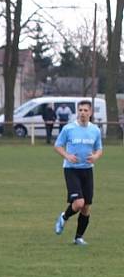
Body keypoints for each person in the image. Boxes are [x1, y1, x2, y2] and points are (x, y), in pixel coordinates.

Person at [53, 100, 103, 246]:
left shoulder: (95, 130)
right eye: (80, 110)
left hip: (88, 170)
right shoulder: (69, 129)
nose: (82, 113)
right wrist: (67, 156)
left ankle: (78, 238)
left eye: (85, 110)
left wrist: (95, 156)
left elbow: (99, 149)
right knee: (79, 203)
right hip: (71, 169)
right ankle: (64, 217)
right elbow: (57, 145)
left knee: (86, 207)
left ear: (91, 113)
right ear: (77, 112)